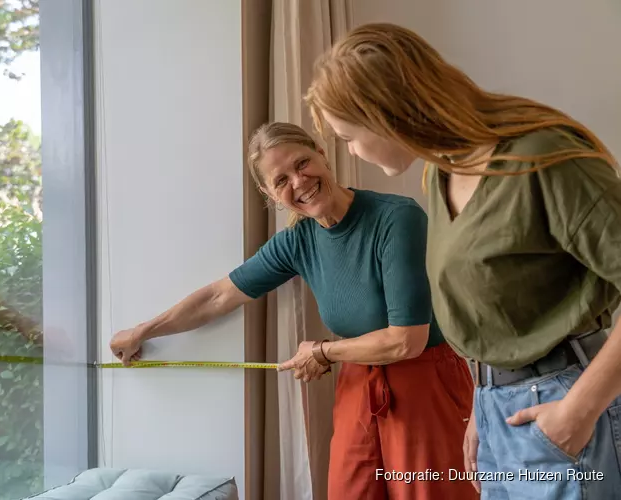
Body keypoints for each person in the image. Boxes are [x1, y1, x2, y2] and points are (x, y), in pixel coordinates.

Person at [305, 22, 621, 500]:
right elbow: (489, 316)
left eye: (349, 136)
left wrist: (577, 411)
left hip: (563, 401)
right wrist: (481, 407)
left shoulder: (544, 157)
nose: (351, 152)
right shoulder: (440, 172)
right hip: (497, 409)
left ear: (387, 115)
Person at [109, 121, 477, 500]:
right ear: (268, 193)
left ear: (322, 153)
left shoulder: (396, 218)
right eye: (280, 179)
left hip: (425, 382)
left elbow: (406, 340)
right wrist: (144, 331)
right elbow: (219, 296)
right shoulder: (297, 242)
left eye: (302, 163)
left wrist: (322, 352)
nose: (299, 182)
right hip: (358, 385)